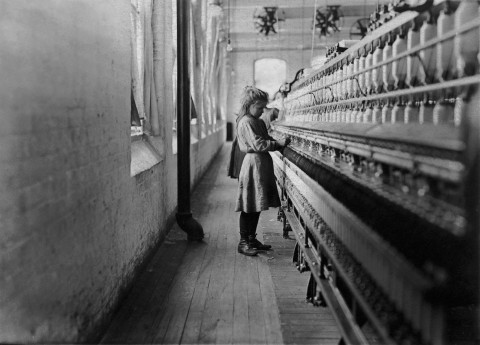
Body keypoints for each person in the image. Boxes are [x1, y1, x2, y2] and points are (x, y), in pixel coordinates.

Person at [234, 86, 290, 256]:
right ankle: (243, 242)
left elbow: (266, 139)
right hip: (253, 165)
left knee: (256, 204)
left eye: (263, 108)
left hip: (262, 165)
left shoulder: (258, 121)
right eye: (259, 108)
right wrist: (277, 144)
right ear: (249, 104)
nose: (261, 111)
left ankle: (252, 238)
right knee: (249, 205)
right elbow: (259, 144)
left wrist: (277, 141)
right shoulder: (246, 122)